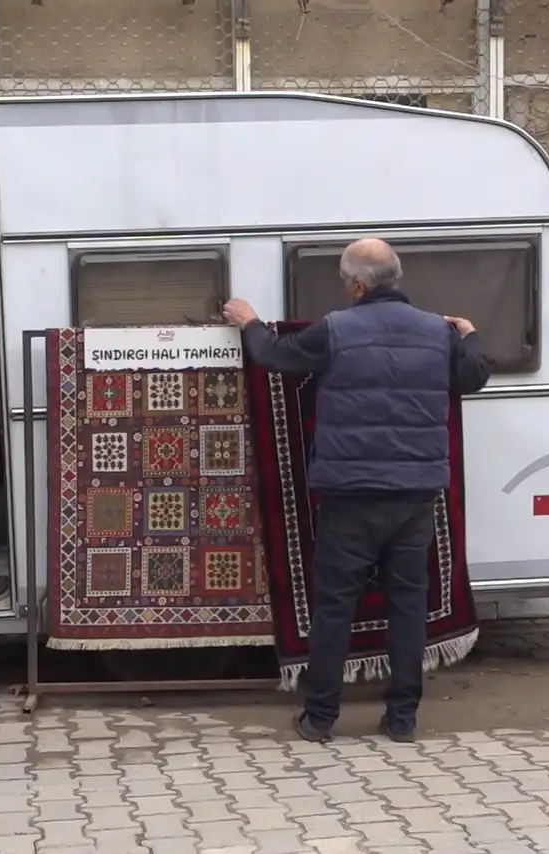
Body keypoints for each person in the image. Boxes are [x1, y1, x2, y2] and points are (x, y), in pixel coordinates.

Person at [221, 238, 491, 744]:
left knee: (334, 607)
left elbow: (274, 357)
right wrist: (470, 334)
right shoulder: (437, 332)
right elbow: (473, 374)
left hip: (349, 496)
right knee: (408, 605)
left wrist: (249, 321)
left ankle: (320, 718)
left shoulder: (336, 330)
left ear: (357, 284)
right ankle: (403, 718)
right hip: (414, 497)